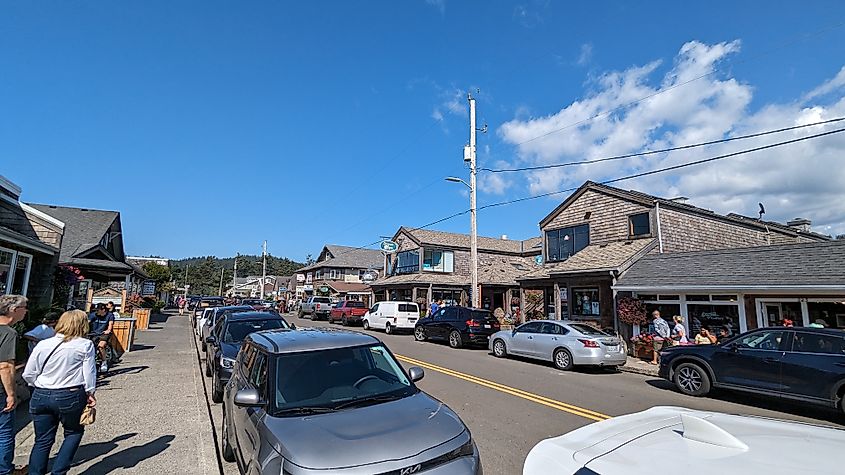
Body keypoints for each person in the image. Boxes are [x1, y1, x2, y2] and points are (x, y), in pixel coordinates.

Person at [23, 310, 97, 475]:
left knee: (42, 440)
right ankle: (59, 471)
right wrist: (90, 392)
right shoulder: (85, 345)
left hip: (41, 393)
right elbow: (89, 373)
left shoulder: (43, 344)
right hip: (70, 393)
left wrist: (37, 385)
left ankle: (35, 472)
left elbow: (28, 373)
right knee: (73, 432)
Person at [0, 296, 27, 475]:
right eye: (24, 307)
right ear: (13, 310)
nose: (26, 311)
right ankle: (4, 470)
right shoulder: (8, 333)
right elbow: (5, 365)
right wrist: (11, 393)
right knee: (4, 432)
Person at [88, 304, 114, 372]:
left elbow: (110, 324)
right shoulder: (93, 315)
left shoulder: (109, 315)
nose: (96, 312)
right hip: (94, 333)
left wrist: (108, 330)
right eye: (96, 310)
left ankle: (104, 362)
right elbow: (87, 322)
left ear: (103, 310)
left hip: (104, 333)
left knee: (101, 346)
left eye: (98, 310)